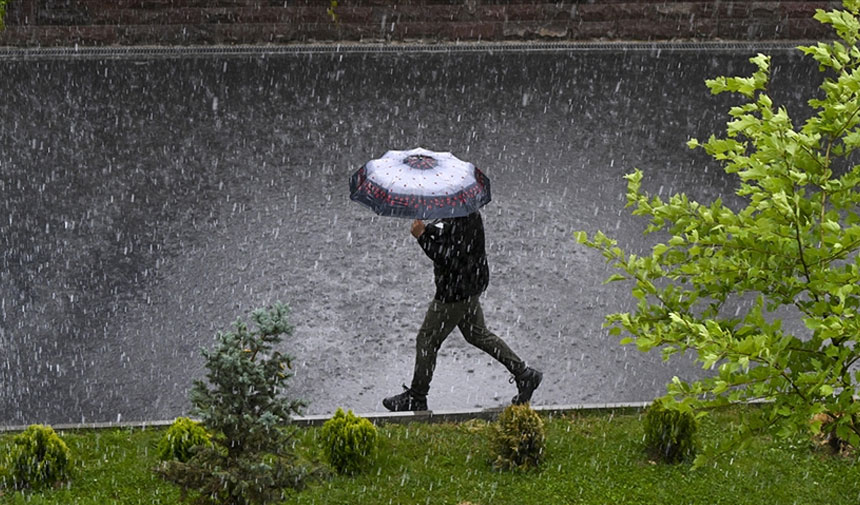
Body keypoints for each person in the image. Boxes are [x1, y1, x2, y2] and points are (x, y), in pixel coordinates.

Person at [382, 210, 542, 412]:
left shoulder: (463, 216)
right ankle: (525, 375)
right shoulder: (461, 211)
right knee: (476, 333)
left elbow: (449, 257)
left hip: (455, 292)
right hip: (468, 285)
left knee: (427, 340)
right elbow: (447, 234)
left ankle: (417, 396)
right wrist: (429, 229)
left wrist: (422, 237)